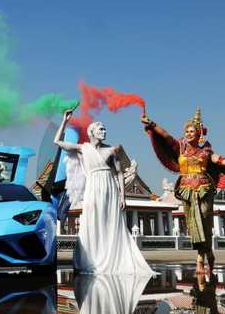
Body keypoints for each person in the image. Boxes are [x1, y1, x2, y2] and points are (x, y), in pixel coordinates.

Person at [141, 107, 225, 274]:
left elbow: (224, 163)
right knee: (194, 225)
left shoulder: (206, 152)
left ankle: (202, 258)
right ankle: (206, 254)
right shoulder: (180, 147)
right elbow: (165, 136)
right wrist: (152, 124)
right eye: (186, 131)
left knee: (205, 223)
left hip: (204, 189)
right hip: (186, 189)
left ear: (199, 133)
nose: (188, 133)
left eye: (192, 131)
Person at [54, 109, 153, 275]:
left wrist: (123, 196)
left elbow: (120, 173)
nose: (104, 132)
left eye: (105, 129)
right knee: (93, 220)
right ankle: (93, 258)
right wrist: (65, 121)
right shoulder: (83, 148)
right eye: (101, 129)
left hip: (109, 187)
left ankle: (112, 258)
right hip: (93, 187)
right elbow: (57, 141)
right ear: (92, 132)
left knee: (110, 221)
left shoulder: (112, 150)